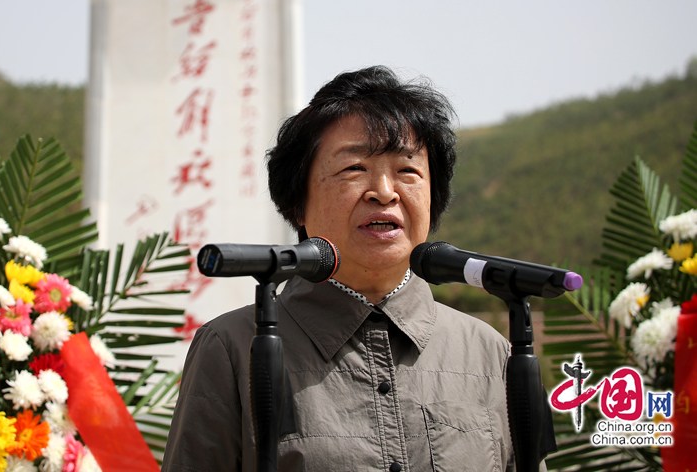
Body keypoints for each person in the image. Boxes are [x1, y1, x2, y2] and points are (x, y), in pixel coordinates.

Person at [162, 66, 539, 471]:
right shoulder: (231, 346)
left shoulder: (490, 352)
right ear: (297, 203)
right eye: (354, 169)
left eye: (407, 171)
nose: (385, 192)